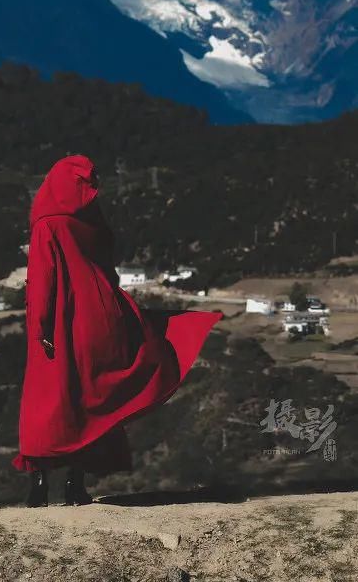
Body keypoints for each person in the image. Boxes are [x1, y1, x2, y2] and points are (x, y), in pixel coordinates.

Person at [14, 154, 223, 506]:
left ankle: (38, 486)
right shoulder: (92, 225)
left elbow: (43, 283)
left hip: (63, 321)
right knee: (89, 400)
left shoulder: (47, 226)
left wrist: (40, 327)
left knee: (48, 400)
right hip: (102, 316)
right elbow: (108, 274)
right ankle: (74, 486)